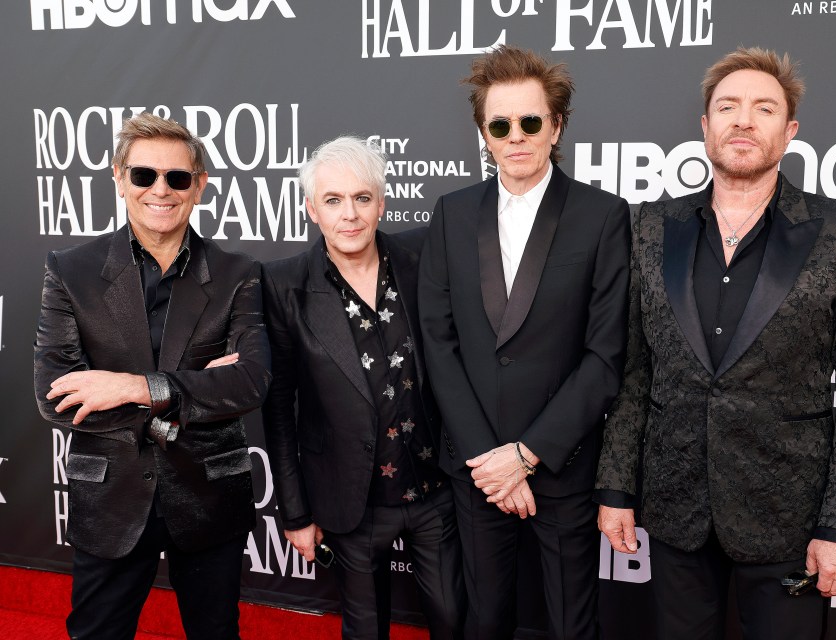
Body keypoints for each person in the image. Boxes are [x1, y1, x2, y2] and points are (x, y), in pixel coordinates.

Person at [596, 47, 836, 639]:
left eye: (764, 108)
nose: (744, 121)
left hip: (790, 518)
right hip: (676, 511)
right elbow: (634, 373)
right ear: (705, 127)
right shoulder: (651, 225)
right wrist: (617, 488)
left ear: (790, 130)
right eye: (727, 107)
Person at [418, 45, 630, 639]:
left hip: (561, 466)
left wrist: (528, 453)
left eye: (531, 121)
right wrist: (491, 461)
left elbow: (605, 355)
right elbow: (438, 343)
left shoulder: (603, 216)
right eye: (500, 124)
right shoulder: (453, 214)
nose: (516, 136)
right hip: (478, 467)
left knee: (571, 625)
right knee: (484, 620)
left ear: (556, 125)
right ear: (482, 131)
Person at [34, 112, 272, 639]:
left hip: (211, 500)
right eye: (144, 175)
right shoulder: (70, 270)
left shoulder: (239, 274)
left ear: (200, 186)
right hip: (111, 498)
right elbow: (57, 398)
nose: (160, 190)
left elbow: (251, 382)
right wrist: (190, 395)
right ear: (119, 177)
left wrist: (131, 386)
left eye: (177, 178)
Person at [261, 136, 464, 639]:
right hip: (350, 501)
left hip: (434, 489)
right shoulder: (284, 285)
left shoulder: (422, 258)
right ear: (311, 209)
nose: (348, 214)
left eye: (362, 198)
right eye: (332, 200)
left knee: (456, 621)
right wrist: (296, 512)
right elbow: (278, 410)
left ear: (382, 202)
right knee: (365, 630)